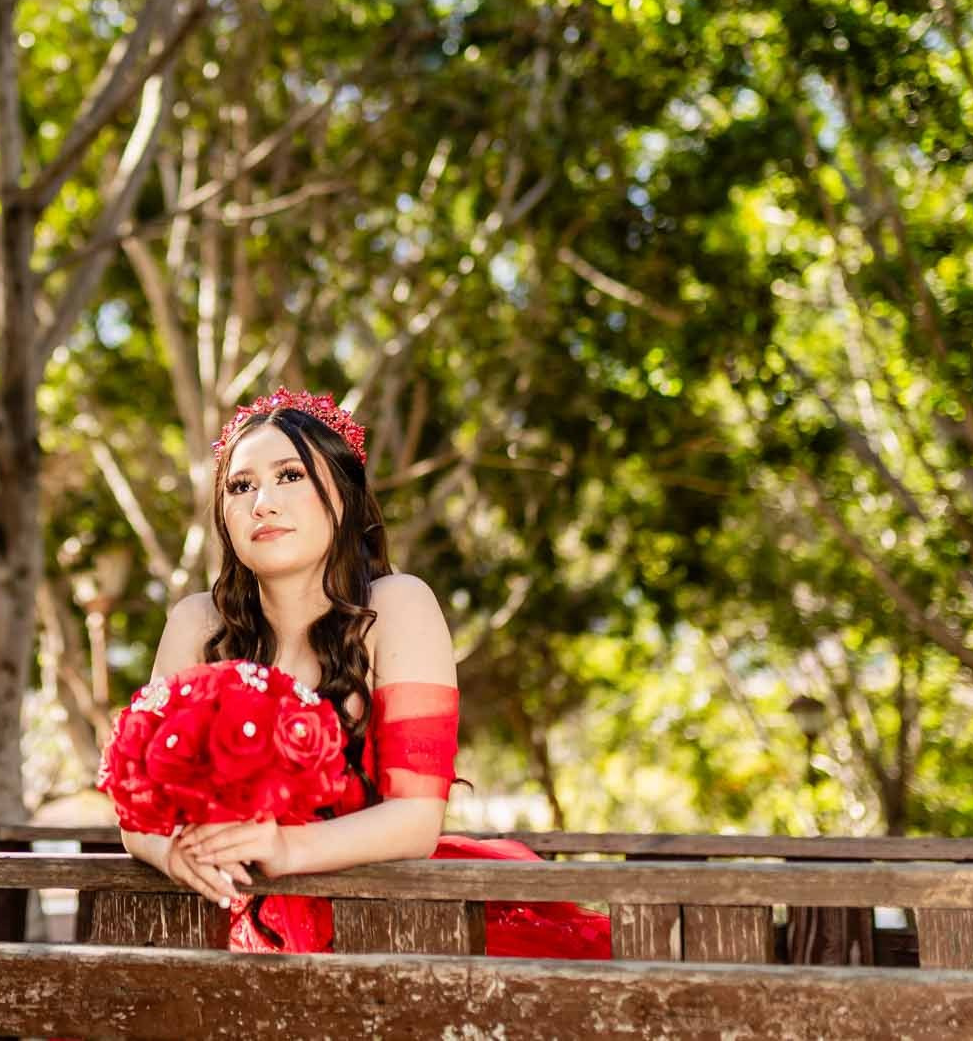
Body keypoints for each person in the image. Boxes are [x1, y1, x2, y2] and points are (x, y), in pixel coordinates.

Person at [118, 387, 611, 956]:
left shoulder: (398, 606)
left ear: (346, 496)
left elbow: (416, 820)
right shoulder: (195, 623)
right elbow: (138, 811)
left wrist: (284, 848)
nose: (263, 503)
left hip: (392, 931)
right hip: (231, 930)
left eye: (290, 476)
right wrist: (171, 852)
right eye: (240, 486)